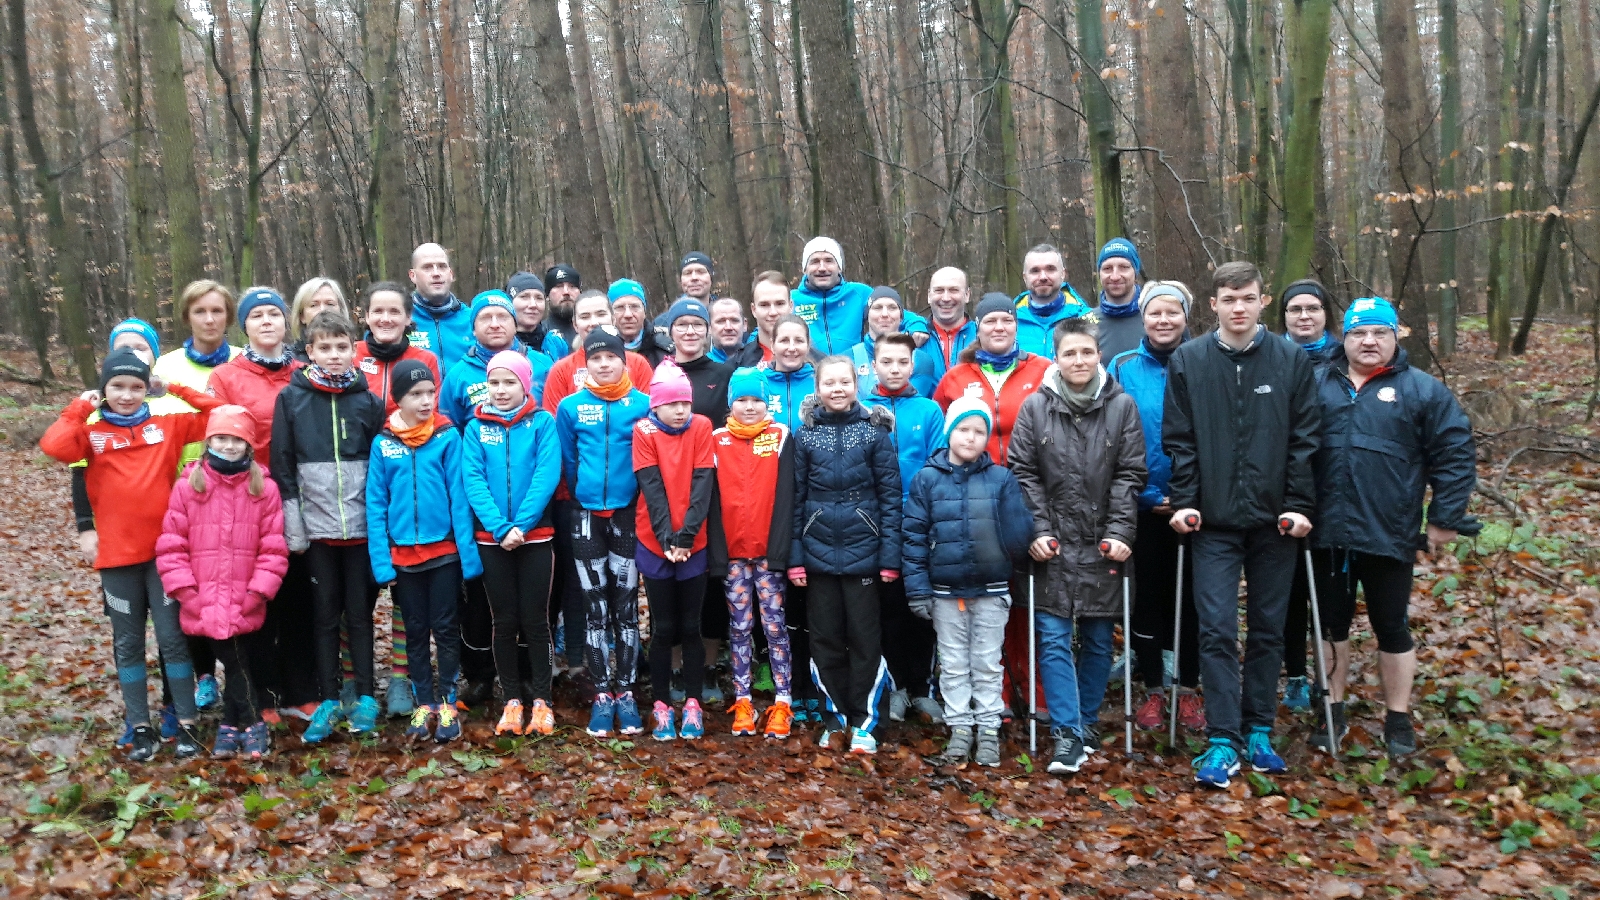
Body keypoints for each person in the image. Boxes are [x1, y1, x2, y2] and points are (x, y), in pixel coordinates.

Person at [1164, 261, 1319, 789]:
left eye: (1248, 298)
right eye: (1229, 299)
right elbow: (1179, 439)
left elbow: (1305, 439)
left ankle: (1259, 730)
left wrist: (1300, 505)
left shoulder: (1290, 359)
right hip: (1213, 523)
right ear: (1214, 304)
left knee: (1269, 630)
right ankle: (1222, 737)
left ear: (1262, 300)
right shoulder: (1188, 359)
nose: (1238, 308)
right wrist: (1186, 501)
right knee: (1216, 629)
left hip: (1276, 522)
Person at [1306, 298, 1478, 758]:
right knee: (1328, 627)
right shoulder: (1316, 383)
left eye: (1379, 333)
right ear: (1344, 337)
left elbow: (1455, 453)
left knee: (1392, 627)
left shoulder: (1422, 391)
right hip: (1324, 533)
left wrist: (1445, 518)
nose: (1368, 341)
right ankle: (1332, 709)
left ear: (1395, 336)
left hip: (1389, 533)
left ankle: (1398, 718)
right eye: (1359, 333)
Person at [41, 349, 224, 760]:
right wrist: (79, 407)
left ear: (148, 390)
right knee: (127, 643)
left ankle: (188, 724)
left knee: (173, 639)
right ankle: (140, 725)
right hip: (117, 559)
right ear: (104, 388)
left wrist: (172, 387)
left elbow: (221, 413)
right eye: (117, 386)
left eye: (136, 387)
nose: (126, 395)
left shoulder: (167, 425)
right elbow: (53, 446)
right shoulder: (90, 434)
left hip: (166, 556)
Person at [1011, 318, 1147, 774]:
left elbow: (1131, 473)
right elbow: (1023, 472)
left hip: (1102, 543)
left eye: (1086, 352)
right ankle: (1066, 733)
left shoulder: (1121, 406)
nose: (1079, 361)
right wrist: (1037, 530)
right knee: (1051, 637)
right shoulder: (1035, 409)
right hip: (1051, 545)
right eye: (1069, 353)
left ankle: (1087, 721)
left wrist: (1120, 532)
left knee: (1095, 638)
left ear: (1098, 355)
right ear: (1057, 357)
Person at [932, 293, 1052, 723]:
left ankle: (1034, 685)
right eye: (990, 321)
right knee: (987, 597)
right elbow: (939, 436)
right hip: (972, 498)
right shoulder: (957, 376)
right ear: (976, 327)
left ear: (1016, 326)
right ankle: (996, 690)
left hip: (1030, 495)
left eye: (1006, 320)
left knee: (1028, 598)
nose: (998, 327)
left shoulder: (1042, 370)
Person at [270, 311, 387, 744]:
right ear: (310, 351)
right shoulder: (292, 398)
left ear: (352, 349)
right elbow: (282, 465)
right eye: (325, 348)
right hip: (317, 532)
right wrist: (294, 528)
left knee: (359, 614)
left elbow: (380, 468)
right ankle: (328, 698)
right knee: (324, 615)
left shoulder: (368, 400)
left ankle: (366, 698)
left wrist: (379, 528)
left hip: (359, 530)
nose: (335, 355)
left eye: (342, 347)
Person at [903, 397, 1033, 767]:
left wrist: (1024, 536)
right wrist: (918, 589)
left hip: (991, 591)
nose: (971, 438)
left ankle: (988, 726)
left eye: (979, 432)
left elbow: (1016, 535)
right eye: (963, 429)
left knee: (987, 661)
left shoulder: (1001, 479)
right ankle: (960, 726)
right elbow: (913, 537)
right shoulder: (927, 479)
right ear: (949, 432)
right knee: (955, 662)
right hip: (944, 592)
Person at [156, 406, 288, 760]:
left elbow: (273, 547)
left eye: (238, 440)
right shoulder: (188, 486)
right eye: (222, 439)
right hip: (203, 595)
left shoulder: (264, 488)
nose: (230, 446)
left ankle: (234, 725)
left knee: (240, 660)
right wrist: (188, 594)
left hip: (246, 594)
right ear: (209, 441)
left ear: (250, 445)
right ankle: (249, 722)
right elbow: (172, 545)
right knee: (233, 660)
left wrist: (258, 591)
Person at [789, 356, 902, 755]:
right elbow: (794, 499)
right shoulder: (804, 437)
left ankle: (866, 721)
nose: (837, 389)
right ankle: (834, 717)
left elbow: (890, 498)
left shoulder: (874, 435)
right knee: (825, 640)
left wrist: (890, 557)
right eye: (829, 383)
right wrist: (795, 557)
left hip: (865, 555)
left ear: (857, 385)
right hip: (817, 555)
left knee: (865, 639)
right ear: (816, 389)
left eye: (845, 382)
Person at [367, 360, 481, 744]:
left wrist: (468, 558)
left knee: (447, 629)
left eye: (430, 393)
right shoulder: (383, 443)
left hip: (445, 554)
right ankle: (423, 702)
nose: (426, 401)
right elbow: (375, 505)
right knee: (414, 632)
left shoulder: (448, 436)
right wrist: (382, 565)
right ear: (398, 399)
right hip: (404, 559)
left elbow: (459, 499)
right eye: (415, 394)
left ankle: (448, 701)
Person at [1109, 282, 1205, 732]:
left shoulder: (1205, 359)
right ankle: (1152, 687)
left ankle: (1187, 689)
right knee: (1145, 597)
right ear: (1142, 318)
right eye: (1154, 313)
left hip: (1196, 504)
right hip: (1140, 503)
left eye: (1172, 312)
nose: (1163, 321)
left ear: (1186, 316)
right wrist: (1143, 494)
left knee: (1192, 599)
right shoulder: (1123, 365)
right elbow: (1111, 432)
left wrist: (1191, 494)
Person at [555, 325, 652, 737]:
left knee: (625, 607)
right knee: (594, 606)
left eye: (611, 356)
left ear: (623, 359)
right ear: (586, 363)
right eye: (596, 358)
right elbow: (568, 459)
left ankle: (627, 693)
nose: (604, 363)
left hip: (629, 514)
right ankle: (601, 694)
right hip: (585, 515)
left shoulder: (644, 405)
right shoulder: (571, 407)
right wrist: (583, 496)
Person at [462, 351, 562, 737]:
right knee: (503, 622)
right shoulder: (475, 428)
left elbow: (546, 473)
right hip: (492, 540)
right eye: (494, 383)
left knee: (536, 621)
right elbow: (473, 479)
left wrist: (521, 525)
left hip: (535, 537)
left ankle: (542, 700)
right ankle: (511, 700)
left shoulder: (542, 423)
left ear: (525, 384)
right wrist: (501, 528)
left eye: (509, 382)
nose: (501, 390)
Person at [860, 332, 946, 725]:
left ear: (913, 366)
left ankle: (922, 689)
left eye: (902, 363)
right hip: (875, 524)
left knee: (921, 610)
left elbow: (937, 465)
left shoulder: (928, 411)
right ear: (873, 365)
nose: (894, 369)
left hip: (919, 524)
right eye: (886, 362)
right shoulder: (862, 410)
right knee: (887, 609)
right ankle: (893, 686)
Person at [633, 363, 717, 741]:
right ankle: (663, 704)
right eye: (672, 403)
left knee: (691, 626)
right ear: (656, 406)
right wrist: (669, 539)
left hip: (693, 541)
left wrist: (686, 538)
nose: (680, 410)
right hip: (655, 540)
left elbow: (703, 482)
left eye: (685, 402)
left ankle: (694, 703)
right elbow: (651, 487)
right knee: (664, 627)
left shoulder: (700, 426)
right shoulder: (644, 430)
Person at [713, 368, 796, 739]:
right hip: (733, 555)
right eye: (742, 400)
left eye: (756, 400)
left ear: (767, 403)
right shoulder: (717, 440)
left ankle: (783, 701)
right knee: (740, 627)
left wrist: (781, 551)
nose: (749, 407)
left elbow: (789, 496)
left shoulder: (779, 436)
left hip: (768, 554)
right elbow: (711, 499)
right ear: (731, 403)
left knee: (775, 626)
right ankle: (743, 699)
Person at [1277, 278, 1336, 711]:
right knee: (1292, 589)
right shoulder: (1273, 358)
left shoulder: (1343, 357)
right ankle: (1296, 672)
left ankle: (1330, 676)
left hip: (1333, 487)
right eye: (1295, 309)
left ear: (1325, 314)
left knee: (1330, 591)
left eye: (1311, 309)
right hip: (1282, 488)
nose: (1303, 317)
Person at [154, 280, 240, 470]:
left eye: (217, 311)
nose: (209, 319)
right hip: (178, 479)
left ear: (228, 316)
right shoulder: (164, 367)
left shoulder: (245, 361)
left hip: (238, 477)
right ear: (187, 317)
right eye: (199, 311)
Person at [209, 287, 302, 461]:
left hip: (302, 481)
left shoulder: (305, 373)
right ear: (245, 325)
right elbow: (217, 441)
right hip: (251, 481)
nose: (266, 321)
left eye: (274, 314)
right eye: (256, 316)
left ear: (285, 321)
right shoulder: (224, 377)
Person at [440, 290, 556, 426]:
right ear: (473, 329)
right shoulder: (457, 376)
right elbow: (449, 434)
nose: (495, 325)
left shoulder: (543, 366)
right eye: (485, 318)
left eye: (502, 317)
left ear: (515, 325)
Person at [542, 291, 659, 413]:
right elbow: (554, 424)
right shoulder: (561, 370)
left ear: (613, 320)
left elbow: (652, 416)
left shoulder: (638, 364)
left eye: (601, 314)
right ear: (575, 325)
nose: (594, 323)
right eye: (585, 317)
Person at [355, 281, 444, 414]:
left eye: (394, 312)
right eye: (378, 311)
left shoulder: (425, 360)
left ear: (408, 318)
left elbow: (431, 412)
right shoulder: (351, 354)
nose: (385, 319)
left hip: (407, 433)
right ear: (367, 316)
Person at [851, 287, 939, 398]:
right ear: (867, 316)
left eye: (892, 308)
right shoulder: (851, 357)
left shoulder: (920, 360)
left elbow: (912, 403)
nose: (884, 314)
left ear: (901, 317)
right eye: (877, 308)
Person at [1014, 244, 1090, 359]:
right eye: (1035, 271)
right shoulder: (1008, 324)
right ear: (1025, 278)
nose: (1043, 277)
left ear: (1063, 274)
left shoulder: (1085, 319)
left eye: (1050, 269)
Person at [409, 243, 474, 369]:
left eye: (442, 266)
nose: (436, 273)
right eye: (427, 267)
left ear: (451, 274)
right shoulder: (400, 320)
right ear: (413, 276)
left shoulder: (472, 319)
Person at [755, 315, 819, 432]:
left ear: (808, 345)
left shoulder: (821, 383)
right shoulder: (758, 383)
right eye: (784, 340)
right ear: (772, 345)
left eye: (799, 341)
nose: (791, 348)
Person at [920, 266, 977, 388]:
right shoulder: (914, 337)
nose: (946, 298)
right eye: (939, 290)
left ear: (967, 295)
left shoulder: (982, 336)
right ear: (929, 296)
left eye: (954, 290)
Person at [1093, 238, 1146, 363]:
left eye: (1124, 267)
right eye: (1107, 268)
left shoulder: (1157, 320)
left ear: (1135, 271)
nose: (1115, 276)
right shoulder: (1085, 323)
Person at [507, 270, 571, 360]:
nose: (533, 305)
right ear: (509, 302)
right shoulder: (500, 344)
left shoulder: (556, 343)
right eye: (524, 297)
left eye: (539, 298)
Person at [289, 278, 350, 362]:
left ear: (341, 311)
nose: (322, 310)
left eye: (330, 304)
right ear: (301, 316)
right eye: (314, 305)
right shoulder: (290, 362)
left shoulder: (356, 356)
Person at [609, 279, 664, 362]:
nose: (628, 314)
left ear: (645, 312)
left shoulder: (665, 350)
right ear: (610, 313)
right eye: (620, 308)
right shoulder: (599, 351)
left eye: (635, 307)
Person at [544, 264, 582, 345]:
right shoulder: (539, 335)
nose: (566, 292)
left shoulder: (590, 330)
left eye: (572, 286)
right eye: (558, 286)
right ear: (547, 295)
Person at [707, 298, 752, 364]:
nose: (728, 327)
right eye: (721, 321)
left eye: (734, 320)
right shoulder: (700, 368)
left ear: (744, 325)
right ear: (709, 327)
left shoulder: (760, 364)